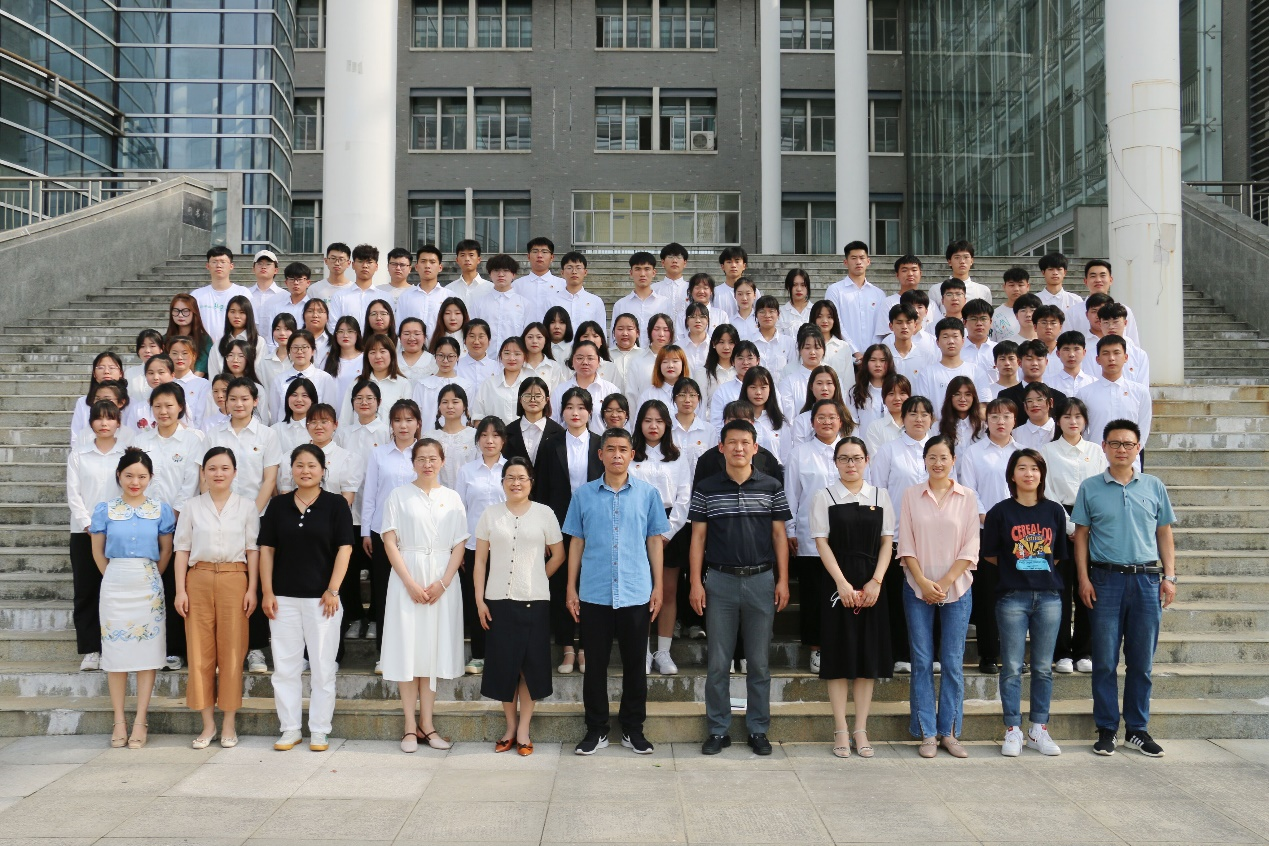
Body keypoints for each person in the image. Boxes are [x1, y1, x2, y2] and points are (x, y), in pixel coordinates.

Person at [564, 428, 670, 755]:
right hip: (594, 593)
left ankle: (632, 729)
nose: (617, 455)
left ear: (632, 454)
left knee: (635, 665)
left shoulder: (648, 494)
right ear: (600, 455)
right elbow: (576, 542)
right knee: (594, 666)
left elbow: (655, 541)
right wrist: (570, 587)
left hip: (636, 592)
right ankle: (596, 729)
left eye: (623, 449)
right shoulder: (583, 495)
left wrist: (658, 586)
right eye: (610, 449)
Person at [1075, 419, 1177, 757]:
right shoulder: (1090, 487)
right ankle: (1107, 728)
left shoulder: (1153, 486)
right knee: (1104, 660)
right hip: (1105, 580)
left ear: (1138, 448)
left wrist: (1170, 576)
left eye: (1128, 444)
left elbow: (1164, 532)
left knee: (1141, 661)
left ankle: (1137, 729)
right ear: (1104, 447)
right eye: (1115, 443)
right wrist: (1083, 578)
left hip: (1147, 580)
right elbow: (1081, 536)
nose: (1122, 449)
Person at [689, 419, 791, 755]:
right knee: (718, 663)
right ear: (721, 447)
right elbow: (698, 538)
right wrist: (696, 583)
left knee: (759, 663)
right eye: (732, 442)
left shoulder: (771, 486)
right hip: (720, 581)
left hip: (761, 579)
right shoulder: (706, 487)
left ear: (755, 447)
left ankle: (758, 729)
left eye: (745, 442)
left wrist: (782, 580)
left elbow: (779, 536)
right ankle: (718, 730)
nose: (738, 448)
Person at [259, 444, 354, 752]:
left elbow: (345, 549)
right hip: (283, 599)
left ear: (323, 470)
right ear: (291, 470)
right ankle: (289, 729)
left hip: (323, 600)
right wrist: (267, 591)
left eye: (312, 465)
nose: (305, 470)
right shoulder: (278, 506)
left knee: (323, 668)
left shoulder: (336, 504)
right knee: (285, 668)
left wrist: (333, 589)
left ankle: (320, 730)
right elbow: (266, 550)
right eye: (299, 465)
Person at [379, 438, 468, 752]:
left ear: (442, 461)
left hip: (442, 579)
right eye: (421, 458)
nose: (427, 464)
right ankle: (409, 726)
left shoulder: (453, 498)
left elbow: (459, 543)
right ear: (413, 462)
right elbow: (390, 541)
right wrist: (409, 583)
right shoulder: (398, 495)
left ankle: (427, 724)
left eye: (433, 458)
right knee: (408, 649)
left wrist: (444, 582)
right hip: (407, 575)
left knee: (431, 651)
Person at [474, 457, 567, 755]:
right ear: (502, 482)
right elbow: (480, 561)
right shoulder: (490, 514)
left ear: (531, 482)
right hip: (498, 601)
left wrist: (539, 576)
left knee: (530, 668)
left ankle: (524, 729)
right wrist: (479, 600)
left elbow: (559, 555)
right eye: (510, 477)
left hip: (534, 601)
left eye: (522, 478)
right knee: (505, 668)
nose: (516, 483)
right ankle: (510, 728)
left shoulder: (545, 513)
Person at [811, 437, 894, 758]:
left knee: (866, 660)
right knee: (837, 658)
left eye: (857, 458)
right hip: (837, 582)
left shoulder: (880, 496)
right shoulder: (825, 496)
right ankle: (840, 730)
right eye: (844, 458)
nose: (851, 464)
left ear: (867, 460)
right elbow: (822, 543)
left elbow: (887, 543)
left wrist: (876, 581)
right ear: (835, 462)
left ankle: (860, 729)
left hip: (873, 583)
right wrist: (842, 584)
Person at [897, 435, 979, 758]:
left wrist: (943, 583)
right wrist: (922, 581)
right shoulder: (911, 495)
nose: (938, 463)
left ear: (953, 460)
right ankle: (927, 733)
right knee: (921, 660)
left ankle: (950, 732)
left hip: (957, 588)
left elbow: (970, 546)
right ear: (924, 460)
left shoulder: (967, 496)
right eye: (932, 457)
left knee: (952, 661)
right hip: (917, 587)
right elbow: (906, 543)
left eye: (944, 457)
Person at [172, 446, 259, 749]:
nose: (218, 474)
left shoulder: (247, 506)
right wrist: (180, 590)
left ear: (235, 472)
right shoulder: (192, 506)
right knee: (199, 652)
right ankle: (208, 724)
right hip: (199, 578)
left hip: (235, 579)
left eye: (224, 468)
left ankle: (229, 723)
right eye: (212, 468)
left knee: (233, 652)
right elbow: (181, 549)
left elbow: (253, 549)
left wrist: (252, 588)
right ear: (203, 473)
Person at [983, 448, 1068, 757]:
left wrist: (1034, 567)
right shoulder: (1000, 512)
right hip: (1012, 597)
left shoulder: (1054, 511)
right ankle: (1012, 729)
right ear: (1012, 474)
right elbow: (990, 554)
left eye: (1034, 468)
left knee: (1043, 667)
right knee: (1011, 667)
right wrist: (1017, 568)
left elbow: (1056, 555)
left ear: (1042, 474)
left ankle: (1038, 729)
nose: (1029, 473)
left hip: (1048, 597)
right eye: (1022, 467)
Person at [89, 448, 176, 748]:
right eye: (129, 475)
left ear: (150, 478)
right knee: (116, 655)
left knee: (147, 654)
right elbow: (97, 550)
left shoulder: (161, 510)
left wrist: (150, 575)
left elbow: (166, 550)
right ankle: (118, 721)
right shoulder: (105, 509)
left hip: (148, 584)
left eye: (141, 476)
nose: (135, 482)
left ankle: (140, 720)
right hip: (114, 583)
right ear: (119, 476)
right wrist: (113, 576)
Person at [532, 386, 603, 674]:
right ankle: (567, 648)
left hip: (593, 525)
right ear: (562, 411)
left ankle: (586, 648)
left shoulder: (601, 443)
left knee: (589, 585)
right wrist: (543, 531)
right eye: (570, 407)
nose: (575, 413)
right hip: (558, 524)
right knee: (561, 584)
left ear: (589, 412)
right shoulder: (551, 444)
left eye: (581, 407)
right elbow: (541, 489)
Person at [1041, 398, 1106, 674]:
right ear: (1058, 420)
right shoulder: (1047, 451)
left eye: (1078, 416)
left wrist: (1086, 526)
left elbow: (1103, 487)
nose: (1073, 421)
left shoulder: (1096, 451)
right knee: (1060, 589)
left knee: (1088, 588)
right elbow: (1046, 491)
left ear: (1085, 421)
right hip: (1058, 521)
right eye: (1067, 416)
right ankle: (1062, 653)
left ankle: (1084, 651)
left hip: (1092, 522)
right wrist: (1070, 527)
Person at [958, 397, 1023, 675]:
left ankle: (1015, 655)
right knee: (988, 596)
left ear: (1015, 420)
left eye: (1006, 416)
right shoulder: (974, 453)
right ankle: (988, 654)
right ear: (986, 421)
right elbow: (969, 492)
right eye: (994, 416)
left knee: (1017, 596)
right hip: (986, 532)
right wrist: (991, 520)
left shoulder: (1023, 453)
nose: (1000, 421)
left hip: (1021, 534)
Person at [628, 399, 692, 675]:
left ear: (667, 425)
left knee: (667, 590)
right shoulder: (631, 454)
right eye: (647, 420)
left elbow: (684, 497)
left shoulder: (678, 456)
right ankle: (642, 650)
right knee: (641, 591)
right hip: (637, 526)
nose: (653, 426)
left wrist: (667, 532)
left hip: (671, 527)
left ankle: (663, 651)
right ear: (639, 424)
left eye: (659, 421)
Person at [362, 399, 425, 673]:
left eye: (409, 420)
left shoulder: (424, 453)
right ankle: (384, 655)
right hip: (382, 532)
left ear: (418, 423)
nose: (403, 425)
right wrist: (366, 531)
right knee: (384, 594)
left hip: (416, 533)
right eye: (398, 420)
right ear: (391, 424)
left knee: (414, 591)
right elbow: (370, 495)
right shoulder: (379, 454)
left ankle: (415, 654)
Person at [785, 399, 848, 673]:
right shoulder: (799, 454)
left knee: (845, 592)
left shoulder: (850, 450)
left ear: (840, 421)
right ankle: (816, 649)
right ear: (812, 422)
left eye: (832, 417)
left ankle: (843, 645)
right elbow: (791, 495)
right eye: (821, 417)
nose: (826, 422)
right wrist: (789, 530)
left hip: (846, 537)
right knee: (813, 595)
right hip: (809, 536)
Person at [67, 400, 127, 672]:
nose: (104, 423)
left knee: (116, 590)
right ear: (90, 422)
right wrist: (88, 524)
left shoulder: (126, 455)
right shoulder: (79, 455)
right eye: (99, 418)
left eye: (110, 418)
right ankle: (91, 649)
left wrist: (117, 522)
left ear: (118, 422)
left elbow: (132, 489)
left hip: (119, 531)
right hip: (84, 532)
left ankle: (115, 646)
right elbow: (73, 494)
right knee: (86, 590)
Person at [453, 417, 508, 674]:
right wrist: (459, 546)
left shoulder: (511, 469)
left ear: (503, 440)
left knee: (503, 601)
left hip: (506, 545)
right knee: (477, 598)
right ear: (477, 441)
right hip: (474, 546)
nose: (489, 440)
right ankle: (478, 654)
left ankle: (501, 653)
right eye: (484, 435)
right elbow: (459, 511)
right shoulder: (466, 471)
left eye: (495, 435)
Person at [824, 240, 885, 352]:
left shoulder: (879, 294)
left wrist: (872, 353)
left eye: (862, 258)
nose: (858, 262)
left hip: (873, 357)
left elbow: (881, 328)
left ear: (868, 261)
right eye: (853, 258)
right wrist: (854, 352)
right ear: (845, 262)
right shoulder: (835, 290)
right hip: (842, 353)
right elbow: (836, 323)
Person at [192, 246, 251, 345]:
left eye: (223, 262)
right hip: (204, 348)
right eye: (214, 262)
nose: (218, 265)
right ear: (207, 266)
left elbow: (250, 323)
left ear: (231, 266)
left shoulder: (243, 293)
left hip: (235, 348)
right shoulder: (197, 295)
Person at [504, 377, 563, 464]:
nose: (532, 399)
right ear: (520, 400)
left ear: (547, 400)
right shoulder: (508, 432)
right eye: (527, 395)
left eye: (538, 396)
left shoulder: (559, 432)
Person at [445, 239, 493, 305]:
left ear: (478, 260)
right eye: (462, 255)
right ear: (457, 260)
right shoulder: (449, 290)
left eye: (471, 255)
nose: (467, 259)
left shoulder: (490, 288)